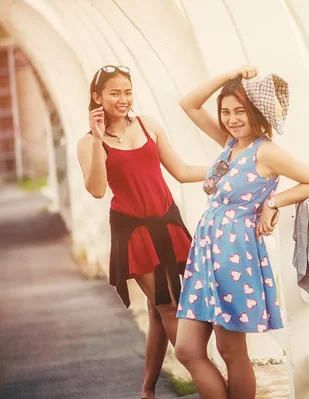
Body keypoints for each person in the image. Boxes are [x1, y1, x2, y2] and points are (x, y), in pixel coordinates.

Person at [174, 66, 309, 399]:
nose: (231, 119)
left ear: (256, 112)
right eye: (226, 111)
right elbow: (188, 104)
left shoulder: (266, 151)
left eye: (239, 111)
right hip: (205, 252)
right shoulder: (230, 143)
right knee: (187, 349)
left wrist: (274, 201)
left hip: (234, 255)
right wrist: (229, 76)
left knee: (231, 352)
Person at [77, 65, 208, 399]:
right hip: (135, 234)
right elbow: (96, 189)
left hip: (169, 223)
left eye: (127, 92)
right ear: (97, 98)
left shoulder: (149, 125)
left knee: (156, 311)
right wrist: (96, 140)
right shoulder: (89, 143)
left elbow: (180, 171)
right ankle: (202, 371)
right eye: (114, 93)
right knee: (168, 306)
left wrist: (228, 166)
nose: (123, 99)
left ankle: (147, 390)